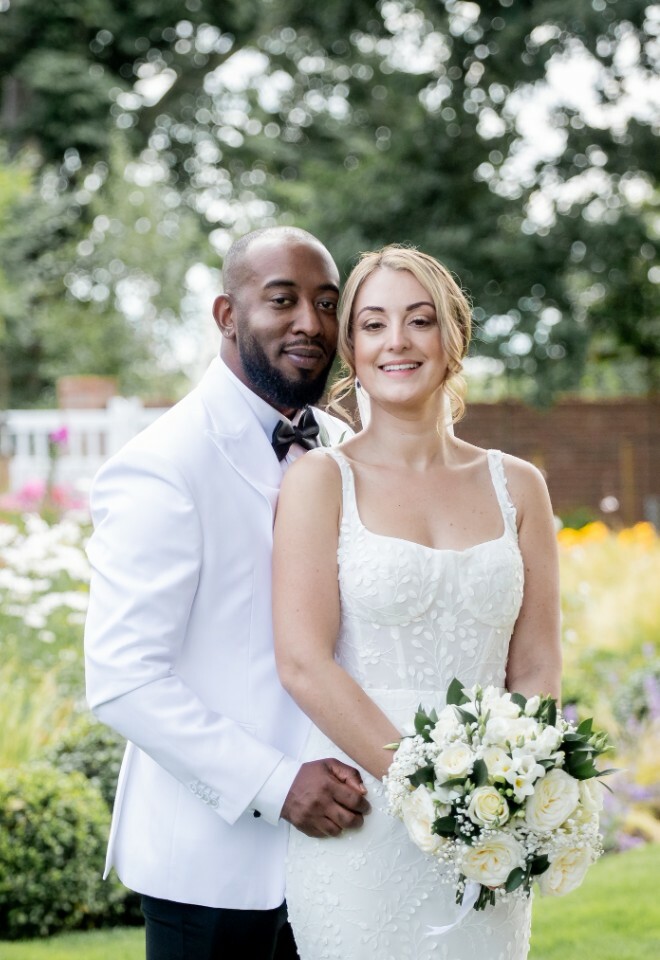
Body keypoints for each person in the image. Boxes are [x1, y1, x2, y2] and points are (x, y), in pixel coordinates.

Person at [84, 226, 370, 960]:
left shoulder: (347, 449)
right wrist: (276, 784)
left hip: (350, 858)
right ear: (226, 315)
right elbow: (123, 678)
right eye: (282, 300)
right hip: (211, 868)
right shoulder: (163, 464)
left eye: (327, 303)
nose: (311, 322)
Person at [273, 244, 562, 959]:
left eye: (419, 320)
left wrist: (508, 788)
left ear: (453, 339)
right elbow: (304, 662)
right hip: (365, 816)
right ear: (352, 349)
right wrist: (426, 789)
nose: (396, 341)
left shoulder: (519, 485)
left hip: (490, 829)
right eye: (372, 324)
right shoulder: (320, 480)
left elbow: (536, 665)